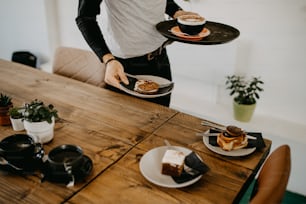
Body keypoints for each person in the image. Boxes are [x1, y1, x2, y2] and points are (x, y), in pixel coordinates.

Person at [76, 0, 197, 106]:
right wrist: (108, 59)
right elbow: (85, 17)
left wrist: (176, 11)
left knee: (160, 120)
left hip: (160, 58)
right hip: (123, 68)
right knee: (124, 126)